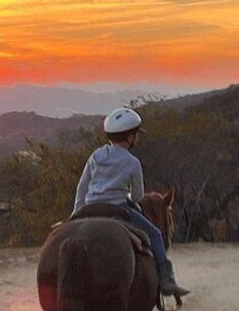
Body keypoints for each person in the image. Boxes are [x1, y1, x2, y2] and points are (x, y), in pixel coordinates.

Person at [72, 107, 190, 297]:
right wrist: (126, 196)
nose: (138, 138)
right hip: (118, 208)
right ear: (129, 138)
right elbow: (137, 197)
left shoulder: (96, 156)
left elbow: (82, 186)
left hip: (90, 207)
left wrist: (77, 212)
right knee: (155, 234)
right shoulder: (132, 162)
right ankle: (167, 281)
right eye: (136, 134)